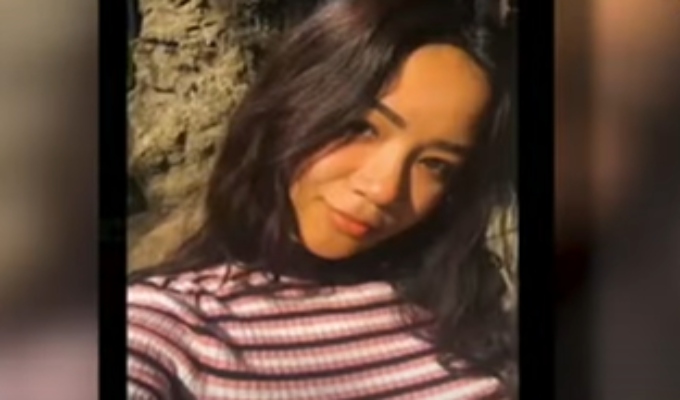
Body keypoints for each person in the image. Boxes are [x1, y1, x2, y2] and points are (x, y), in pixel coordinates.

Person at [127, 0, 517, 398]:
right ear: (289, 107)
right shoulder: (173, 328)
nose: (384, 189)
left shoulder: (469, 316)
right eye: (361, 128)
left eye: (435, 164)